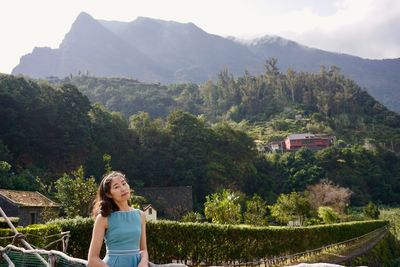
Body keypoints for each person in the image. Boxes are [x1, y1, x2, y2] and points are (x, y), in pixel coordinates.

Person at [88, 171, 149, 267]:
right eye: (116, 187)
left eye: (124, 183)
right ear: (109, 194)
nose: (123, 188)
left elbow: (143, 249)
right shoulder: (103, 218)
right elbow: (92, 259)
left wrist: (144, 261)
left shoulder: (140, 215)